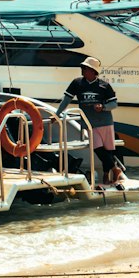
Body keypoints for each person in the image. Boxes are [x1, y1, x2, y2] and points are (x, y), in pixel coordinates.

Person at [56, 56, 122, 187]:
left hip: (105, 122)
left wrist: (103, 107)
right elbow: (66, 100)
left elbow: (114, 104)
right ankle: (115, 169)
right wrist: (57, 114)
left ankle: (106, 176)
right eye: (82, 67)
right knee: (98, 148)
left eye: (85, 68)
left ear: (93, 71)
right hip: (89, 124)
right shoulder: (77, 83)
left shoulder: (105, 85)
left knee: (107, 151)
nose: (82, 70)